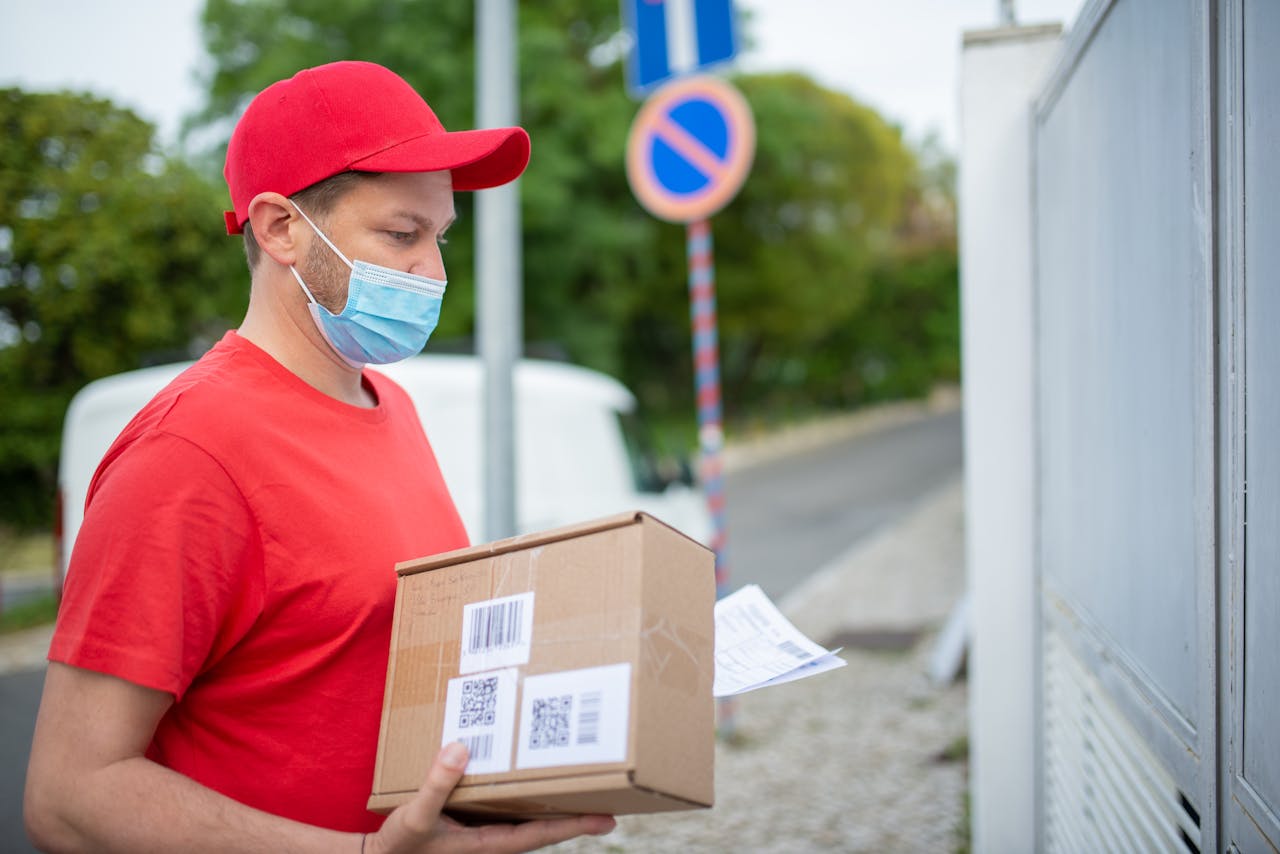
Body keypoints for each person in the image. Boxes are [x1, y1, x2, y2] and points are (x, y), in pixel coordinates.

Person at [24, 60, 616, 853]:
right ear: (279, 228)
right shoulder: (188, 453)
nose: (434, 273)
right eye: (402, 234)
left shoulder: (388, 403)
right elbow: (69, 795)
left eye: (439, 237)